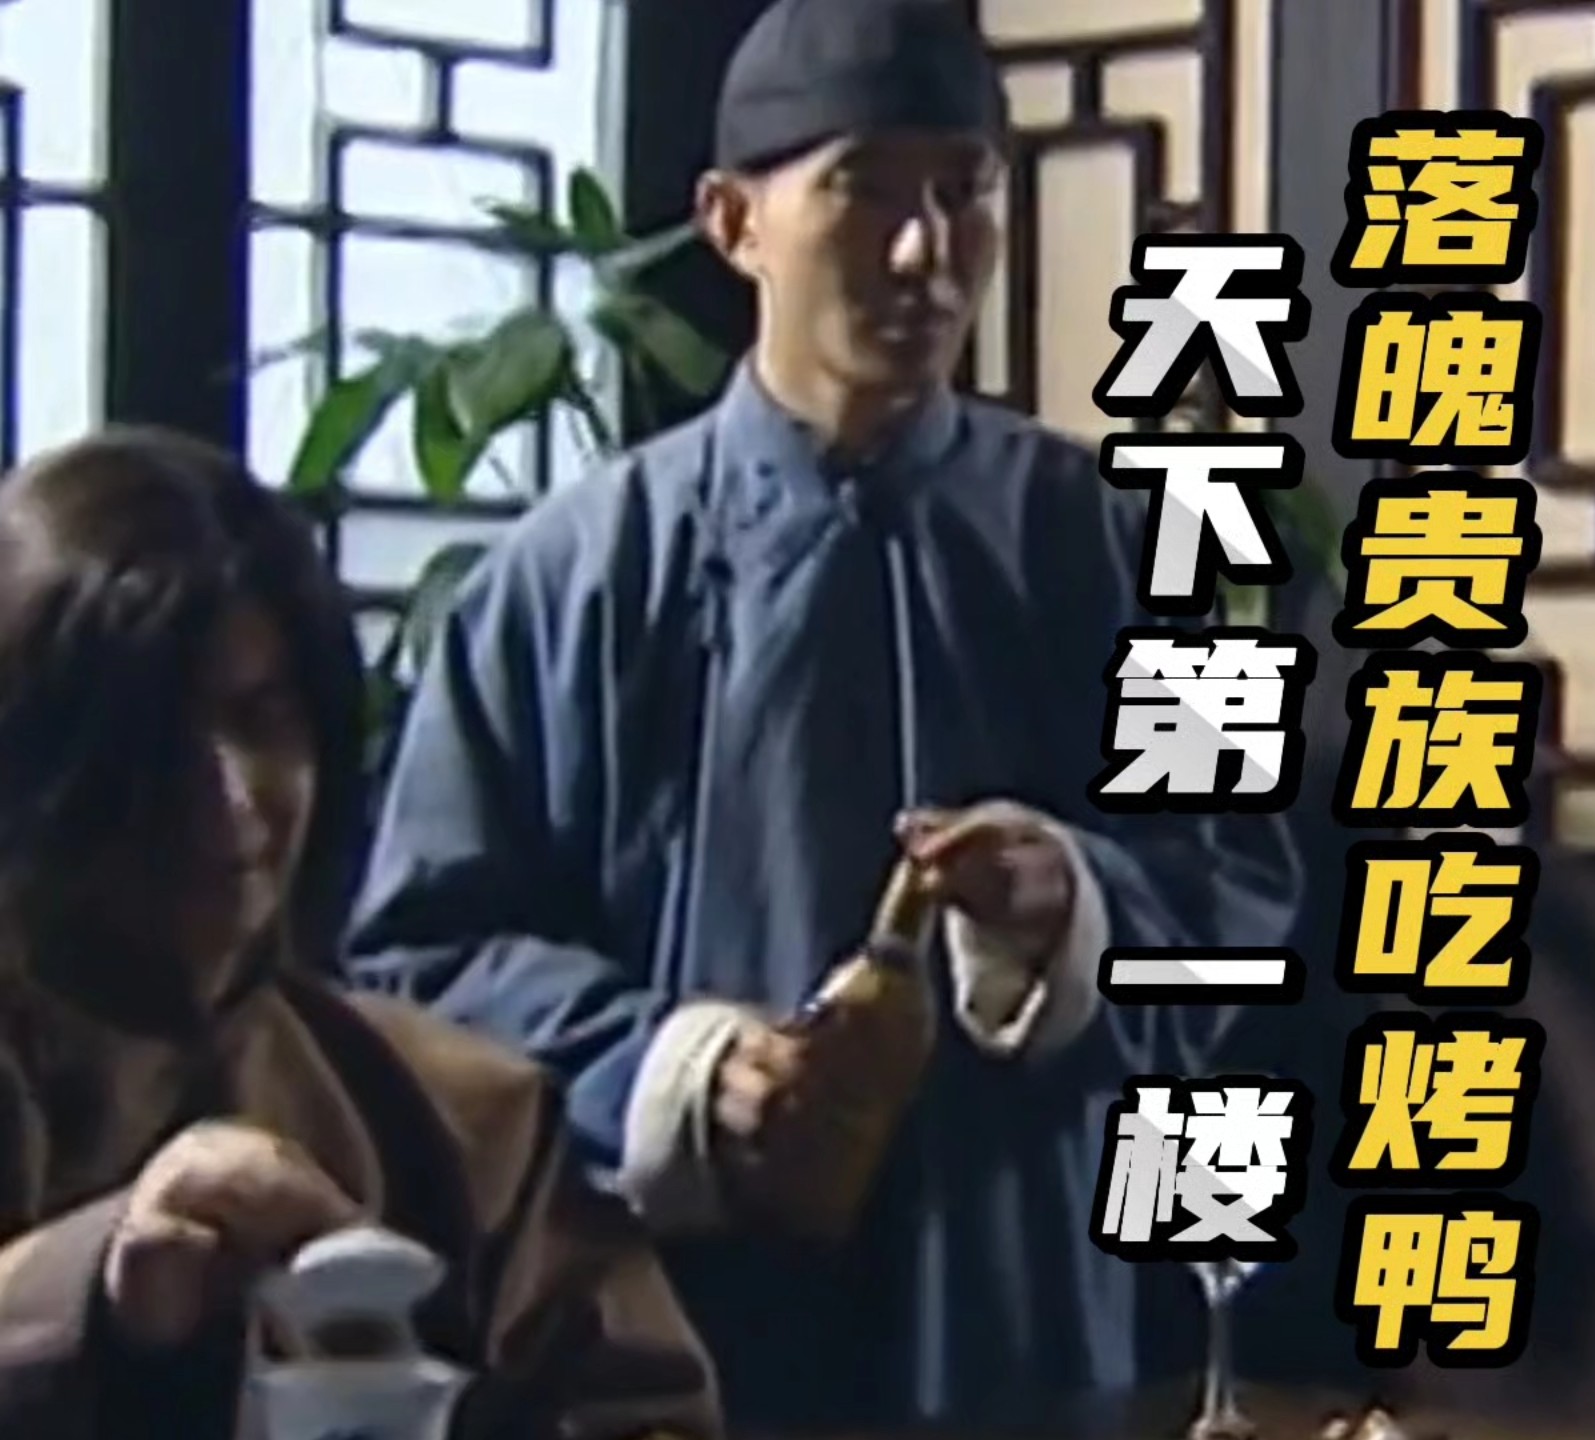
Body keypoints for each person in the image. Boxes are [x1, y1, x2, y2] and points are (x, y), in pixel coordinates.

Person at [345, 0, 1306, 1430]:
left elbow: (1239, 893)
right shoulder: (568, 578)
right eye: (866, 191)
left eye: (964, 193)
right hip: (665, 1331)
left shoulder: (1112, 546)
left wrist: (1072, 906)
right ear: (735, 222)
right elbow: (421, 959)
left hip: (1030, 1315)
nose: (926, 252)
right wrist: (675, 1071)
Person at [0, 428, 722, 1440]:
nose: (227, 802)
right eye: (152, 742)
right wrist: (92, 1284)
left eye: (263, 718)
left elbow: (643, 1408)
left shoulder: (459, 1117)